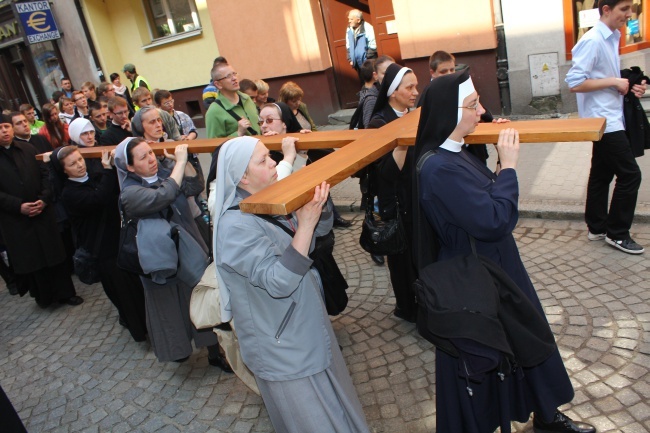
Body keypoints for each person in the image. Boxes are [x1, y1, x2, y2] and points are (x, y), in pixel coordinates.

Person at [413, 69, 595, 433]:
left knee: (526, 339)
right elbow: (494, 220)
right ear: (449, 113)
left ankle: (545, 413)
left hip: (497, 267)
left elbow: (482, 202)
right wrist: (509, 167)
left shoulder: (456, 153)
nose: (481, 112)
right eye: (472, 104)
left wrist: (498, 173)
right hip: (479, 276)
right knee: (492, 358)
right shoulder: (438, 168)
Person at [211, 136, 369, 433]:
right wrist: (305, 224)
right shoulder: (235, 227)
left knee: (336, 408)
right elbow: (278, 282)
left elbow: (306, 246)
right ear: (242, 176)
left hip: (302, 326)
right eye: (263, 160)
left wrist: (317, 209)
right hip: (282, 345)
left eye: (269, 156)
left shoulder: (265, 201)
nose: (274, 162)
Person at [114, 138, 230, 369]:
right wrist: (179, 164)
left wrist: (181, 162)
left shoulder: (167, 172)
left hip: (187, 250)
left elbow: (195, 186)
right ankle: (179, 349)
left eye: (151, 153)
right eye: (143, 157)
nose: (150, 159)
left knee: (200, 299)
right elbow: (163, 196)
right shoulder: (129, 193)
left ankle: (214, 353)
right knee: (168, 308)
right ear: (128, 167)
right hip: (159, 260)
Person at [565, 0, 644, 255]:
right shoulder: (593, 40)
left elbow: (603, 74)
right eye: (624, 9)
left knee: (601, 173)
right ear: (607, 10)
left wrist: (628, 84)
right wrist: (613, 81)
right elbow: (575, 82)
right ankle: (618, 233)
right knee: (631, 175)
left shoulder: (611, 37)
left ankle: (597, 226)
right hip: (603, 120)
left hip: (610, 116)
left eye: (630, 8)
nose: (629, 14)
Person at [48, 144, 147, 342]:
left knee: (136, 285)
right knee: (123, 292)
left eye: (79, 160)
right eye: (72, 164)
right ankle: (139, 329)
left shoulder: (95, 178)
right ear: (63, 170)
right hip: (103, 250)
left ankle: (148, 321)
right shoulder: (70, 192)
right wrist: (108, 170)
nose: (79, 165)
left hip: (118, 240)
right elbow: (99, 198)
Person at [0, 114, 81, 308]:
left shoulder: (28, 149)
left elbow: (46, 174)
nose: (4, 131)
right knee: (32, 258)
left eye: (6, 126)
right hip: (16, 218)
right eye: (0, 128)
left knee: (54, 253)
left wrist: (44, 199)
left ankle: (66, 293)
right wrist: (18, 205)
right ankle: (45, 297)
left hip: (42, 212)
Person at [366, 63, 419, 320]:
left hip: (415, 196)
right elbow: (385, 172)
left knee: (418, 254)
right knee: (400, 259)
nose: (415, 92)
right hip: (395, 202)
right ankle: (407, 308)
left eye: (416, 86)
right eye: (409, 87)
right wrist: (404, 140)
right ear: (392, 92)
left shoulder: (413, 114)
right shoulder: (379, 123)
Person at [279, 82, 352, 228]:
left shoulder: (302, 107)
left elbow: (312, 126)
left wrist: (318, 140)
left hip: (312, 149)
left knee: (323, 183)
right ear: (286, 100)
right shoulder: (282, 112)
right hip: (299, 156)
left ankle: (333, 216)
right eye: (294, 100)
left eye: (299, 99)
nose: (297, 103)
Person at [205, 62, 260, 139]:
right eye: (228, 76)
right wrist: (238, 133)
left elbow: (258, 126)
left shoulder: (247, 98)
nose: (234, 78)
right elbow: (214, 146)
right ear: (218, 84)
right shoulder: (214, 111)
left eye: (234, 74)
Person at [346, 9, 377, 80]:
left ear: (358, 20)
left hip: (368, 61)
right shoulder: (349, 29)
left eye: (351, 19)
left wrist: (367, 58)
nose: (349, 21)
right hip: (357, 63)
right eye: (349, 19)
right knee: (363, 81)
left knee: (372, 80)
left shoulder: (368, 28)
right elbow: (348, 45)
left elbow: (373, 45)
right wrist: (350, 58)